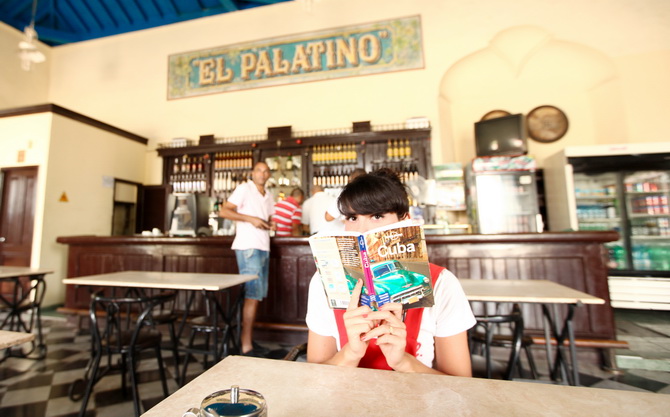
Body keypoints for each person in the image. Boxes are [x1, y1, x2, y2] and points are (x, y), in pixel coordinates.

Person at [305, 168, 475, 375]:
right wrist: (350, 353)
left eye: (377, 216)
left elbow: (462, 384)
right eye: (352, 218)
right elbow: (315, 375)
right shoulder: (326, 280)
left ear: (404, 219)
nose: (362, 230)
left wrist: (402, 362)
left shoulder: (442, 283)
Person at [219, 161, 274, 357]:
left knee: (256, 296)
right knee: (252, 296)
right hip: (248, 246)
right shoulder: (244, 188)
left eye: (266, 171)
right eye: (259, 170)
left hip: (263, 246)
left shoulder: (269, 195)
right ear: (253, 173)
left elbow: (268, 218)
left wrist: (269, 223)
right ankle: (245, 345)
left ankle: (248, 341)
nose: (262, 173)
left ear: (269, 175)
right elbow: (224, 211)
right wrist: (251, 219)